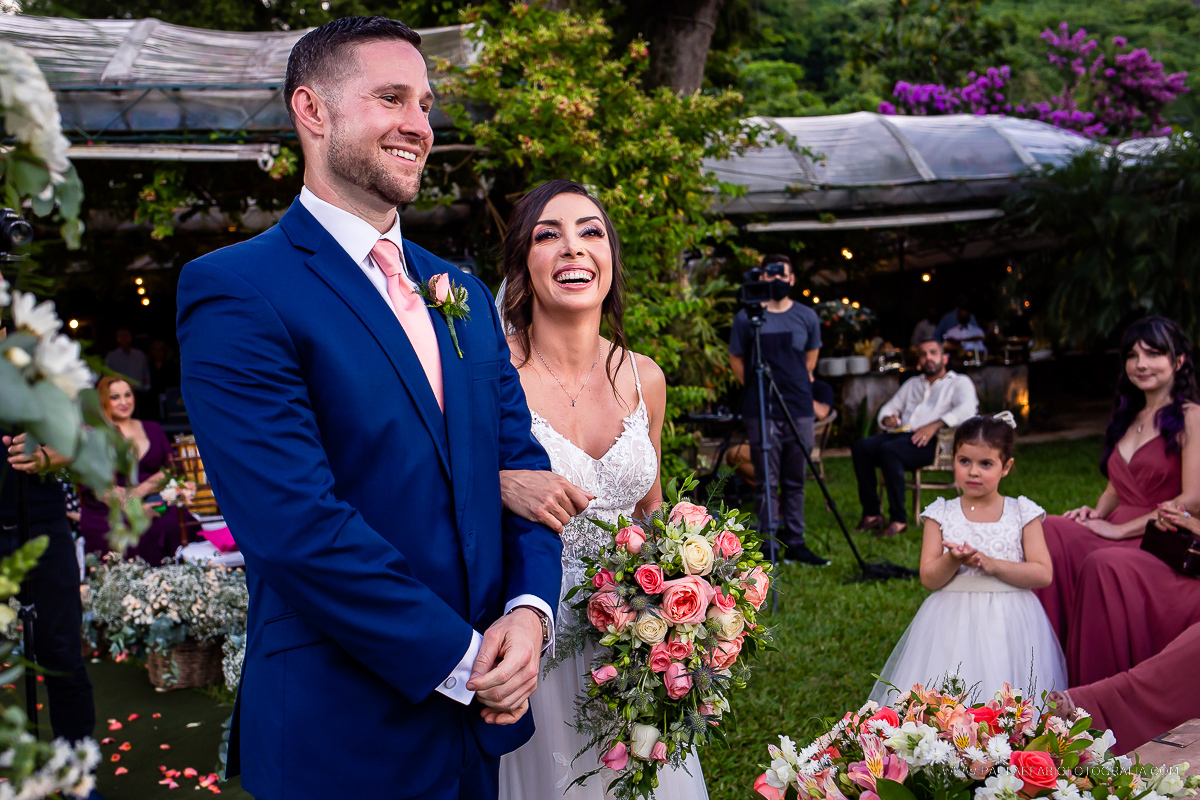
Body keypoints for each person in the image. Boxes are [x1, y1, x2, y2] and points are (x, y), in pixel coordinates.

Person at [175, 17, 563, 800]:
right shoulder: (237, 289)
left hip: (480, 735)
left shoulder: (460, 292)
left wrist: (529, 614)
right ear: (311, 111)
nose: (419, 124)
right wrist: (467, 662)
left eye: (425, 104)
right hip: (342, 729)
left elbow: (524, 474)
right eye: (391, 98)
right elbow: (295, 527)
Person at [492, 181, 708, 800]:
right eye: (548, 235)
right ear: (523, 264)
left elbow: (652, 509)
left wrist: (691, 598)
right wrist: (500, 483)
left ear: (610, 257)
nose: (573, 248)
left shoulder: (645, 376)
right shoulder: (491, 374)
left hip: (634, 634)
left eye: (591, 232)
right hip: (534, 623)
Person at [868, 414, 1065, 705]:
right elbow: (929, 578)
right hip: (952, 621)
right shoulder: (940, 513)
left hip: (1010, 620)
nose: (973, 472)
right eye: (964, 461)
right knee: (948, 700)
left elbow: (1042, 573)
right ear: (953, 460)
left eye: (986, 464)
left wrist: (991, 564)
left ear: (1006, 466)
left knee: (1007, 696)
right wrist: (952, 559)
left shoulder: (1022, 512)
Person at [1035, 316, 1200, 645]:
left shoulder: (1192, 416)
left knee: (1103, 562)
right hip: (1116, 526)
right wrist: (1096, 514)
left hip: (1159, 534)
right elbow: (1116, 487)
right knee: (1048, 528)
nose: (1141, 364)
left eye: (1153, 354)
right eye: (1132, 355)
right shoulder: (1129, 416)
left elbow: (1192, 500)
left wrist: (1120, 530)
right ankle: (1046, 650)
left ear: (1179, 361)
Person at [728, 254, 828, 566]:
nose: (775, 280)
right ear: (761, 277)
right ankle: (769, 544)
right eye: (769, 274)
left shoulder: (806, 316)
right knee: (766, 481)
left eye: (780, 274)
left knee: (796, 478)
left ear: (792, 279)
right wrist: (754, 388)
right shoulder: (747, 317)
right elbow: (736, 358)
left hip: (799, 407)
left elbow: (811, 358)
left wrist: (797, 381)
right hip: (762, 409)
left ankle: (796, 542)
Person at [0, 434, 96, 748]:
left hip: (43, 525)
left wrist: (46, 456)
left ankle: (75, 765)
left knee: (62, 652)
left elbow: (79, 439)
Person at [852, 339, 979, 537]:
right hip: (902, 436)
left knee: (889, 451)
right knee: (861, 447)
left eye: (933, 353)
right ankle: (872, 514)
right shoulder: (912, 383)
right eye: (923, 354)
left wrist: (934, 425)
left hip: (933, 443)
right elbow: (891, 406)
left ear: (944, 358)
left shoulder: (959, 382)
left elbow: (967, 409)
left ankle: (898, 520)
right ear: (919, 361)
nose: (928, 358)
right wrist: (888, 418)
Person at [78, 377, 181, 565]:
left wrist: (140, 491)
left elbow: (170, 470)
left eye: (128, 395)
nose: (124, 402)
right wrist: (135, 508)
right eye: (115, 397)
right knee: (129, 529)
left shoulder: (153, 428)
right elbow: (98, 486)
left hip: (153, 498)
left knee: (175, 522)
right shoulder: (95, 434)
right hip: (111, 507)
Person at [725, 379, 834, 486]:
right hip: (770, 440)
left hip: (797, 445)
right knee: (734, 455)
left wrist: (799, 393)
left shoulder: (821, 388)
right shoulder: (781, 386)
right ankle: (769, 489)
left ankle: (772, 488)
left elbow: (822, 413)